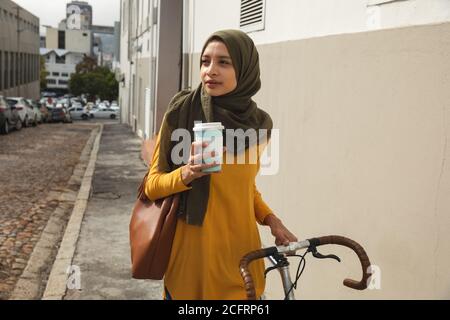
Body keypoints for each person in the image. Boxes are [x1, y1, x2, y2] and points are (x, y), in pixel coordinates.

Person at [144, 29, 297, 300]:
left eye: (223, 62)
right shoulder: (181, 112)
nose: (210, 71)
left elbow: (246, 189)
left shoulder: (260, 126)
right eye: (205, 61)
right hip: (190, 269)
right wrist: (186, 173)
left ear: (245, 68)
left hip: (242, 266)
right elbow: (152, 186)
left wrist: (271, 219)